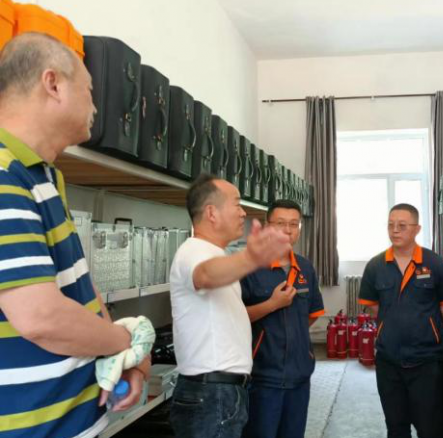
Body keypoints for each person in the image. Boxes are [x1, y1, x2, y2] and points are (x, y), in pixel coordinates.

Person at [0, 33, 149, 438]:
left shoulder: (45, 176)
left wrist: (121, 359)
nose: (96, 106)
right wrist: (124, 341)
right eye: (89, 90)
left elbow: (82, 287)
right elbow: (41, 317)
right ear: (53, 84)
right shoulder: (4, 174)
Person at [169, 174, 291, 438]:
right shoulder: (194, 251)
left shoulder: (214, 252)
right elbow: (205, 275)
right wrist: (252, 257)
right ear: (212, 213)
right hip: (211, 393)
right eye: (236, 204)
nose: (243, 212)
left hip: (221, 393)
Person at [358, 203, 443, 438]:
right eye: (391, 225)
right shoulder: (376, 265)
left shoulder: (434, 263)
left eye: (402, 225)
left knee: (429, 427)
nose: (395, 230)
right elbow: (372, 305)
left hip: (426, 361)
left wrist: (425, 325)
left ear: (417, 229)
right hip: (388, 361)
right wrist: (392, 322)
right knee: (396, 426)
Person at [240, 199, 325, 438]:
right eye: (280, 223)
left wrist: (297, 343)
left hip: (299, 375)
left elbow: (311, 315)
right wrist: (272, 305)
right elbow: (234, 318)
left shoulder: (305, 267)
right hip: (262, 377)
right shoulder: (248, 267)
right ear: (268, 226)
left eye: (294, 224)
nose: (287, 230)